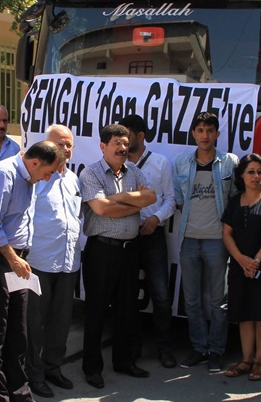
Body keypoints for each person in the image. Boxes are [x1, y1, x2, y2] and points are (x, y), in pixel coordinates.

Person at [0, 141, 61, 402]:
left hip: (17, 261)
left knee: (18, 334)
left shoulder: (29, 177)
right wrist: (12, 258)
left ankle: (20, 394)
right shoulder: (3, 173)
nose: (47, 179)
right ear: (35, 163)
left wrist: (19, 259)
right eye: (47, 172)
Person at [80, 124, 156, 389]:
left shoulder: (133, 170)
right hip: (101, 250)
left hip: (129, 251)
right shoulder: (90, 173)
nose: (123, 148)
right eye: (117, 144)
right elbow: (100, 208)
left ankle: (124, 362)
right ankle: (92, 367)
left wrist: (120, 198)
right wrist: (133, 205)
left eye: (125, 143)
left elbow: (151, 197)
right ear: (103, 146)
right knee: (97, 311)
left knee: (127, 310)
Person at [173, 112, 238, 373]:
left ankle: (216, 351)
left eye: (210, 130)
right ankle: (199, 348)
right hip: (188, 239)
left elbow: (235, 197)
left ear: (217, 134)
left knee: (218, 300)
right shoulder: (181, 162)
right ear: (193, 134)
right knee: (191, 300)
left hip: (217, 241)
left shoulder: (230, 162)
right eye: (199, 130)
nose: (204, 135)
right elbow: (178, 197)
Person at [26, 125, 83, 398]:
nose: (66, 149)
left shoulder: (74, 179)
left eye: (69, 144)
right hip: (39, 261)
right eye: (60, 144)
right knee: (34, 324)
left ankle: (53, 368)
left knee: (61, 322)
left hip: (68, 262)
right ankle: (34, 374)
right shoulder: (36, 180)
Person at [120, 114, 177, 368]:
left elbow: (170, 200)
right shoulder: (116, 162)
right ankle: (132, 348)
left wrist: (156, 218)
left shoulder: (161, 162)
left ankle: (164, 347)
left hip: (152, 235)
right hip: (126, 236)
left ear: (140, 136)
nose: (122, 141)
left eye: (127, 135)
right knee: (128, 294)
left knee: (161, 294)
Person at [221, 154, 261, 382]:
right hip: (239, 266)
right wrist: (240, 259)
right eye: (251, 172)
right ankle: (246, 360)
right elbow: (227, 233)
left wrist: (255, 260)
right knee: (244, 314)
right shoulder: (235, 201)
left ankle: (260, 362)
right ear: (242, 175)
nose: (256, 176)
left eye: (259, 172)